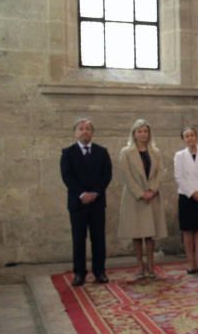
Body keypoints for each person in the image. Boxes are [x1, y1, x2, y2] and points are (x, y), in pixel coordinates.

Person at [60, 118, 112, 287]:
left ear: (92, 133)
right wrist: (82, 194)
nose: (84, 131)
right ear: (75, 132)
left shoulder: (102, 152)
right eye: (81, 129)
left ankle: (100, 271)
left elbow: (106, 175)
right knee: (78, 239)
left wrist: (95, 193)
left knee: (98, 238)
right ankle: (79, 273)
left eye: (88, 129)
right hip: (78, 203)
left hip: (97, 203)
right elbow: (67, 177)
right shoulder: (67, 153)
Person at [117, 118, 168, 280]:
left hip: (152, 196)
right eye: (140, 131)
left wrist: (152, 189)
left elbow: (161, 172)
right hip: (135, 198)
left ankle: (151, 265)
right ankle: (140, 265)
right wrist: (141, 193)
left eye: (145, 131)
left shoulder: (156, 152)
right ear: (134, 133)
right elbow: (126, 175)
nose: (143, 134)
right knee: (137, 233)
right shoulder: (126, 152)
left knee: (150, 234)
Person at [174, 126, 198, 275]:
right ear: (183, 139)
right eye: (187, 136)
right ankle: (190, 262)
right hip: (186, 196)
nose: (190, 138)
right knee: (188, 230)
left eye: (192, 135)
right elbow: (179, 177)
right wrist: (192, 192)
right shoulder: (179, 156)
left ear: (197, 137)